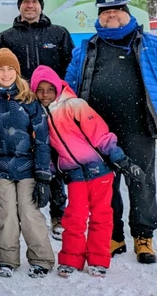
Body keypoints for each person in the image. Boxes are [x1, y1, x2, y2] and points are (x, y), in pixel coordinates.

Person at [65, 0, 157, 264]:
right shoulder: (86, 48)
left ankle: (143, 236)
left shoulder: (153, 45)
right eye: (106, 11)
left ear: (127, 11)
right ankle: (114, 235)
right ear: (99, 15)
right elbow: (69, 89)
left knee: (142, 180)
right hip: (97, 132)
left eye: (117, 10)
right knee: (104, 184)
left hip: (138, 127)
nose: (111, 15)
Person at [31, 65, 144, 278]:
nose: (45, 94)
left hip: (99, 169)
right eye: (40, 90)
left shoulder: (75, 105)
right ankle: (71, 258)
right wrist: (50, 171)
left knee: (101, 216)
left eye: (49, 89)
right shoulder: (38, 116)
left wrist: (119, 157)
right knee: (74, 217)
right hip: (73, 173)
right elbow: (46, 149)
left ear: (57, 88)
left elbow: (100, 134)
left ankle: (99, 259)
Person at [0, 0, 73, 238]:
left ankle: (59, 214)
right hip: (20, 109)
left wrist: (62, 98)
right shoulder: (7, 37)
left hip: (53, 107)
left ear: (41, 5)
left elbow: (69, 69)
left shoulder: (58, 33)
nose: (30, 5)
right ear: (19, 5)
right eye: (25, 2)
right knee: (25, 158)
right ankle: (22, 213)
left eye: (34, 2)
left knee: (56, 158)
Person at [0, 48, 55, 278]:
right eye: (0, 70)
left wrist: (43, 175)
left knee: (29, 212)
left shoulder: (30, 100)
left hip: (27, 167)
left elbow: (43, 139)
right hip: (0, 168)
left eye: (10, 69)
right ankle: (6, 258)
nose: (6, 74)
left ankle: (41, 258)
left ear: (17, 72)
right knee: (5, 215)